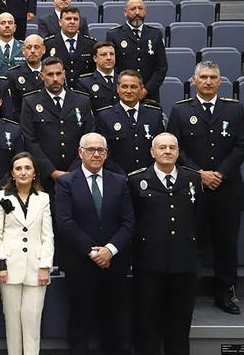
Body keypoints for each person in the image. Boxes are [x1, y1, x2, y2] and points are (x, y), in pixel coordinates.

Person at [168, 60, 244, 314]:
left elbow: (240, 146)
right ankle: (187, 290)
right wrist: (199, 174)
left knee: (226, 242)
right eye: (203, 77)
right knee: (192, 240)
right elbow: (175, 149)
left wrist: (219, 173)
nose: (208, 82)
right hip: (192, 188)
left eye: (213, 77)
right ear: (193, 81)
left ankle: (226, 292)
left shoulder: (235, 110)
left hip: (227, 188)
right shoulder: (179, 111)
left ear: (220, 82)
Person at [54, 132, 134, 355]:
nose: (96, 154)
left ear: (107, 154)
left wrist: (109, 250)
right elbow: (65, 223)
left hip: (114, 264)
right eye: (91, 150)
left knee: (114, 323)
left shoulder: (119, 182)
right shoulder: (66, 182)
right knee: (80, 323)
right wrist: (94, 253)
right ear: (80, 153)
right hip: (80, 265)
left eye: (101, 150)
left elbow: (128, 222)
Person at [128, 133, 201, 355]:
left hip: (184, 264)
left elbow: (200, 218)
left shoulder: (192, 179)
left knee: (179, 325)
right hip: (149, 264)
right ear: (152, 152)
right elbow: (131, 220)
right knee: (147, 325)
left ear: (178, 152)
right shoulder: (136, 180)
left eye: (172, 147)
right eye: (162, 147)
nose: (167, 151)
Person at [0, 152, 53, 355]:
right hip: (9, 268)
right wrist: (0, 266)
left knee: (32, 320)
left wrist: (45, 266)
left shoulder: (43, 199)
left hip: (36, 269)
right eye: (18, 168)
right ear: (12, 174)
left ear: (34, 173)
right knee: (13, 323)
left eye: (27, 168)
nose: (23, 172)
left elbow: (47, 236)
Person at [19, 56, 94, 190]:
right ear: (42, 76)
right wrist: (52, 172)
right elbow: (30, 140)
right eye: (50, 74)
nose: (55, 79)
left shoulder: (82, 101)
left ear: (64, 74)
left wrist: (74, 170)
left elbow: (88, 138)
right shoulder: (30, 102)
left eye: (58, 74)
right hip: (45, 178)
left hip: (78, 174)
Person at [95, 70, 165, 174]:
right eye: (124, 87)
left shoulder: (154, 115)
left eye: (133, 87)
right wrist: (121, 177)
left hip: (150, 177)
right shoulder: (105, 116)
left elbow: (161, 147)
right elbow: (105, 153)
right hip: (118, 179)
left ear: (141, 89)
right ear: (117, 88)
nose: (128, 91)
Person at [106, 0, 168, 103]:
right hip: (123, 95)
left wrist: (146, 89)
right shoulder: (114, 35)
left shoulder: (155, 34)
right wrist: (124, 88)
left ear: (145, 11)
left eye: (140, 8)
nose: (137, 12)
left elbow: (161, 67)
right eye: (133, 9)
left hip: (149, 96)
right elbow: (112, 66)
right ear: (125, 12)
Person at [42, 7, 96, 87]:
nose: (72, 22)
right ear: (60, 22)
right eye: (68, 19)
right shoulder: (49, 44)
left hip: (84, 91)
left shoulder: (91, 44)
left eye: (75, 19)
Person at [6, 34, 46, 119]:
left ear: (43, 50)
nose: (32, 51)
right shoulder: (13, 75)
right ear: (23, 51)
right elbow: (13, 108)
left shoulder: (51, 72)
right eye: (29, 47)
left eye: (36, 47)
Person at [75, 41, 119, 112]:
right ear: (95, 58)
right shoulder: (85, 83)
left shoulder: (123, 79)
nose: (109, 58)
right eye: (103, 55)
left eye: (111, 54)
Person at [0, 12, 25, 77]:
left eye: (10, 23)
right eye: (3, 23)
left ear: (14, 28)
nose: (7, 26)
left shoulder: (24, 48)